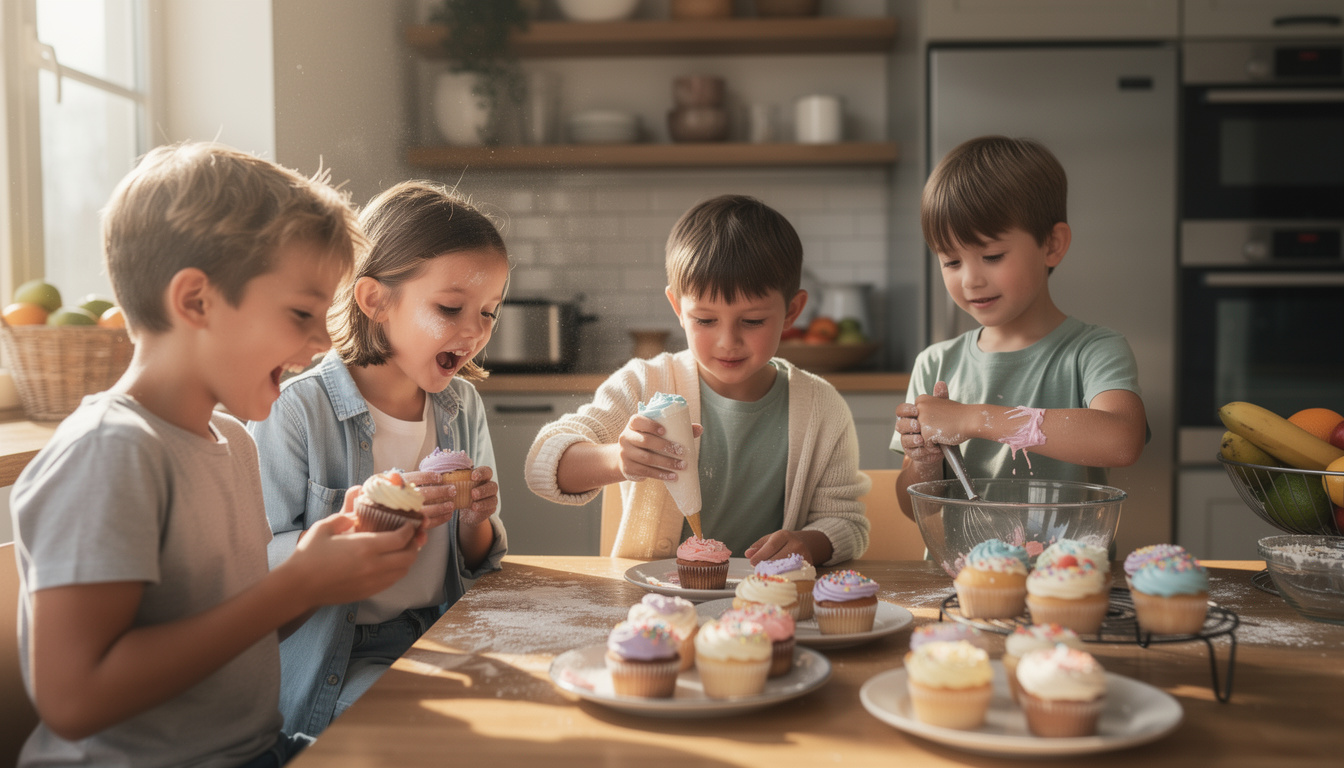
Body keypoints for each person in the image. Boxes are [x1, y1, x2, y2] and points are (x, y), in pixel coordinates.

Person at [9, 142, 426, 767]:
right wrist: (290, 587)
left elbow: (243, 632)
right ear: (196, 301)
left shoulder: (230, 443)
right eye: (301, 314)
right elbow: (76, 700)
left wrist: (314, 574)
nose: (320, 342)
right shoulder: (111, 453)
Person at [247, 180, 509, 738]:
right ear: (375, 300)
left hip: (442, 634)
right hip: (341, 660)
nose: (474, 331)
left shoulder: (461, 406)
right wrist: (370, 519)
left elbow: (477, 562)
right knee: (438, 738)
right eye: (450, 307)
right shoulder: (296, 410)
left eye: (489, 313)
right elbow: (256, 562)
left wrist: (476, 519)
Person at [525, 194, 870, 566]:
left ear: (792, 311)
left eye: (752, 321)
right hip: (654, 605)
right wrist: (619, 460)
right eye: (705, 320)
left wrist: (809, 543)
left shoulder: (822, 408)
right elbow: (543, 464)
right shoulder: (646, 383)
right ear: (678, 308)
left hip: (770, 604)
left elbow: (847, 524)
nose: (728, 341)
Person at [891, 135, 1148, 521]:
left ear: (1052, 245)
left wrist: (974, 419)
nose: (970, 281)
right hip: (966, 577)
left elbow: (1122, 440)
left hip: (1068, 577)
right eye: (951, 261)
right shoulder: (935, 363)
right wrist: (925, 463)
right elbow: (915, 511)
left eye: (992, 256)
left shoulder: (1093, 349)